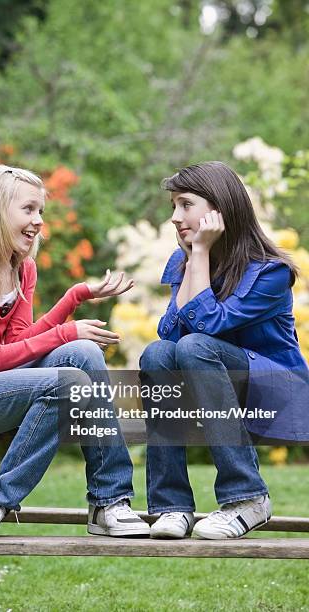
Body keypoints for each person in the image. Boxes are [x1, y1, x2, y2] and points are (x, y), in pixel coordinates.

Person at [0, 164, 150, 539]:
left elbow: (18, 346)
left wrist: (74, 297)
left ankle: (109, 502)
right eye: (28, 209)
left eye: (40, 211)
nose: (39, 221)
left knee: (84, 354)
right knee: (70, 379)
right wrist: (64, 331)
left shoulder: (22, 268)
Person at [139, 161, 309, 540]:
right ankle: (171, 504)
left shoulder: (270, 272)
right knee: (156, 354)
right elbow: (169, 333)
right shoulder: (182, 260)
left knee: (196, 345)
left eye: (185, 205)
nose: (174, 217)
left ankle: (247, 497)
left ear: (220, 209)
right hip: (213, 384)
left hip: (276, 390)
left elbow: (206, 327)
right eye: (173, 207)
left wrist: (198, 253)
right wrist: (193, 259)